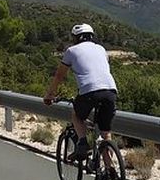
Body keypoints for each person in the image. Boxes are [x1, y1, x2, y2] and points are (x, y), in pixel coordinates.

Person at [43, 23, 118, 161]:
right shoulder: (101, 49)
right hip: (110, 90)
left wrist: (50, 94)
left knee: (77, 115)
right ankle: (109, 170)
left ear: (76, 38)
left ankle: (82, 142)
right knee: (106, 132)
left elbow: (59, 76)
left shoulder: (71, 51)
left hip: (89, 91)